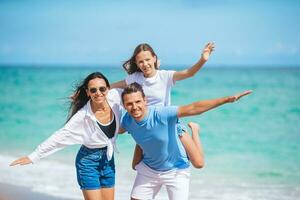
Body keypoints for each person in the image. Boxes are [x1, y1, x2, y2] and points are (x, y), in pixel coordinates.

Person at [120, 83, 252, 200]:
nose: (135, 107)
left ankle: (194, 130)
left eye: (138, 102)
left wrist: (227, 100)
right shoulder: (127, 120)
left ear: (145, 100)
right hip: (150, 168)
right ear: (124, 106)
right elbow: (112, 129)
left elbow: (194, 107)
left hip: (176, 169)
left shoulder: (161, 113)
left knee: (199, 163)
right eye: (129, 104)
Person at [10, 72, 123, 200]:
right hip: (88, 163)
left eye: (102, 88)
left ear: (108, 88)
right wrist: (34, 155)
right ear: (88, 92)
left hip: (108, 160)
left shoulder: (115, 97)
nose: (98, 93)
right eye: (93, 90)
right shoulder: (82, 116)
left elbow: (132, 84)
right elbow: (59, 136)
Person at [111, 42, 215, 169]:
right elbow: (111, 87)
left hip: (167, 125)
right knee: (136, 166)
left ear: (154, 58)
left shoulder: (165, 76)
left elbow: (189, 73)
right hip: (144, 128)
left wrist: (203, 59)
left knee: (199, 164)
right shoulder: (134, 78)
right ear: (137, 64)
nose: (145, 64)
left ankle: (195, 130)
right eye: (141, 61)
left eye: (147, 59)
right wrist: (91, 91)